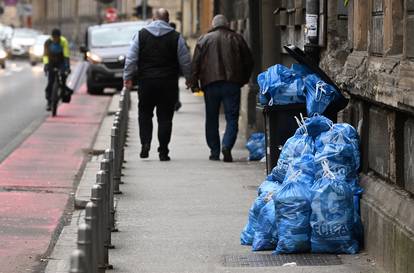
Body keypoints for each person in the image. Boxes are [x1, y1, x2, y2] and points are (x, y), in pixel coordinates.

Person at [124, 8, 191, 161]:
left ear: (153, 20)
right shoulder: (176, 37)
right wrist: (189, 78)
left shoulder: (141, 35)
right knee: (165, 118)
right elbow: (185, 61)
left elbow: (131, 59)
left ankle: (145, 144)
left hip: (146, 83)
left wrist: (127, 77)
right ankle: (163, 151)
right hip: (168, 83)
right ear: (167, 20)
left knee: (145, 114)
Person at [191, 14, 253, 162]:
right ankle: (226, 145)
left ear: (213, 25)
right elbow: (249, 61)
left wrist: (194, 83)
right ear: (227, 25)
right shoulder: (237, 38)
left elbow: (196, 64)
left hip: (210, 84)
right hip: (232, 84)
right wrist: (243, 79)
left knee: (211, 117)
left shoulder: (204, 39)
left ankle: (214, 151)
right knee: (232, 118)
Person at [43, 28, 71, 111]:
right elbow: (45, 55)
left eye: (57, 38)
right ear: (52, 37)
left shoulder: (63, 42)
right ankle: (49, 101)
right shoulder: (48, 42)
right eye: (54, 38)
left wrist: (67, 67)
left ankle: (63, 91)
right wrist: (46, 65)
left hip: (61, 61)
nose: (55, 39)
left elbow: (66, 55)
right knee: (50, 81)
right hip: (51, 61)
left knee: (63, 76)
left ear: (59, 37)